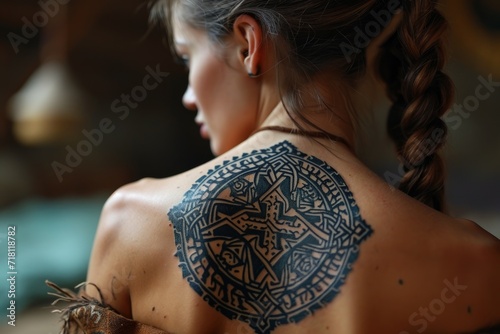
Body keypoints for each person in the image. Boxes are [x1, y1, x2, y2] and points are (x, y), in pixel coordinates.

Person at [51, 0, 500, 333]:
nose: (188, 95)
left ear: (249, 42)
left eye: (188, 57)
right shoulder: (478, 264)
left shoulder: (130, 223)